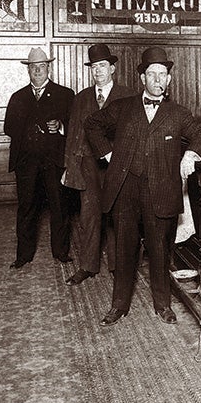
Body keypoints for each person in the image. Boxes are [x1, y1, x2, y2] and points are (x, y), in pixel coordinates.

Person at [85, 47, 201, 326]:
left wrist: (191, 154)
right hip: (125, 189)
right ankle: (118, 305)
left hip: (161, 190)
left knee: (160, 251)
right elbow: (92, 123)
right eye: (152, 74)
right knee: (124, 250)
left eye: (163, 75)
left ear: (169, 80)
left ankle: (162, 304)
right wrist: (106, 153)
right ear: (142, 78)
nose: (158, 80)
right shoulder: (123, 107)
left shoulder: (178, 113)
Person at [62, 43, 136, 286]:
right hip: (89, 166)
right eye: (94, 67)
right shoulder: (81, 98)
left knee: (118, 215)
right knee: (89, 215)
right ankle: (87, 266)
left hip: (118, 166)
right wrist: (69, 169)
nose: (98, 71)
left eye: (102, 66)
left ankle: (118, 265)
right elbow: (73, 134)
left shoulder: (127, 96)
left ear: (112, 68)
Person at [4, 47, 75, 270]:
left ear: (48, 68)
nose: (37, 71)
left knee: (59, 208)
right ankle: (23, 255)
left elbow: (74, 125)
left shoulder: (65, 94)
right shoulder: (18, 97)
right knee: (26, 209)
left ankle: (61, 253)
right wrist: (28, 130)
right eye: (33, 67)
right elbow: (8, 127)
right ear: (28, 71)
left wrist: (61, 125)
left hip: (54, 162)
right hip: (26, 163)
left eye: (41, 66)